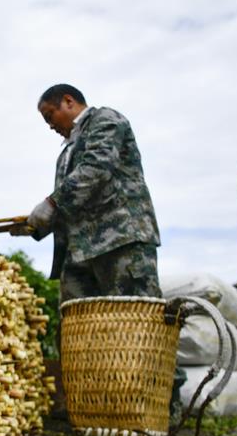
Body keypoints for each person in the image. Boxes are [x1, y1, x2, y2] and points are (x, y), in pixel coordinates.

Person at [12, 84, 161, 303]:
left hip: (120, 241)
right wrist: (36, 226)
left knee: (133, 320)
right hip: (80, 251)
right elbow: (71, 203)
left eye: (50, 116)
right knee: (81, 325)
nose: (50, 126)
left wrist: (51, 204)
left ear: (68, 101)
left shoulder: (105, 120)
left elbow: (96, 170)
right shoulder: (66, 152)